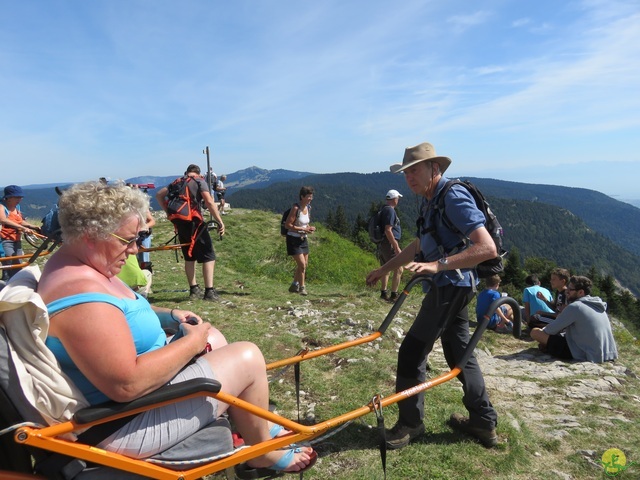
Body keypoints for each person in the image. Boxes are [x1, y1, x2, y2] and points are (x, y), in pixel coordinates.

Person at [38, 181, 316, 474]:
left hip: (136, 405)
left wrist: (169, 315)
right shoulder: (81, 296)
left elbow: (124, 310)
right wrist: (191, 345)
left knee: (216, 338)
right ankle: (261, 454)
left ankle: (256, 426)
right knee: (247, 357)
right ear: (89, 235)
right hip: (123, 423)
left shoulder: (84, 266)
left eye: (138, 238)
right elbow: (126, 384)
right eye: (126, 240)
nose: (134, 250)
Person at [366, 142, 499, 449]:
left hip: (450, 286)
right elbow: (419, 246)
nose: (409, 177)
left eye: (415, 170)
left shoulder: (452, 196)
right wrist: (384, 269)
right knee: (460, 355)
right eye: (406, 172)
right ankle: (483, 422)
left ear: (434, 168)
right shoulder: (431, 199)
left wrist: (437, 266)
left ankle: (411, 424)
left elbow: (486, 247)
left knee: (412, 352)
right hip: (456, 286)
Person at [156, 164, 225, 301]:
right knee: (208, 255)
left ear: (187, 172)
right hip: (194, 221)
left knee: (189, 256)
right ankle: (209, 292)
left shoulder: (178, 182)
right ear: (198, 173)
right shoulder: (199, 181)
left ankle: (194, 289)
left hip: (180, 222)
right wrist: (220, 221)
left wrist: (168, 212)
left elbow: (159, 195)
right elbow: (209, 202)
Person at [530, 276, 618, 363]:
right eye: (567, 288)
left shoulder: (575, 307)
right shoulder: (597, 305)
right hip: (606, 353)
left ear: (580, 292)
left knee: (535, 332)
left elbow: (550, 330)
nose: (566, 292)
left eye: (570, 290)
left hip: (584, 353)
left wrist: (544, 340)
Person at [0, 185, 40, 279]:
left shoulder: (17, 207)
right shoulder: (2, 207)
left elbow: (19, 220)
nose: (20, 199)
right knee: (9, 261)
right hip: (5, 239)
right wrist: (22, 227)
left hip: (17, 239)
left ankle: (15, 281)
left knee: (18, 263)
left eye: (21, 197)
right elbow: (3, 220)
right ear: (9, 198)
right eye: (17, 197)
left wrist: (31, 226)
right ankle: (7, 282)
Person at [284, 186, 316, 296]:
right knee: (302, 265)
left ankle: (294, 285)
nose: (310, 199)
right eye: (308, 197)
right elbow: (288, 225)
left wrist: (309, 228)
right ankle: (302, 287)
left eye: (311, 197)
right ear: (302, 196)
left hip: (303, 239)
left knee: (304, 264)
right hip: (293, 239)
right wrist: (304, 229)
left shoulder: (308, 208)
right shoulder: (295, 208)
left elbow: (304, 223)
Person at [377, 189, 404, 302]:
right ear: (394, 199)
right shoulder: (390, 211)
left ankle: (383, 293)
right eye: (398, 198)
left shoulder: (383, 209)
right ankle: (394, 295)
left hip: (383, 243)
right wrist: (396, 246)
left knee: (386, 268)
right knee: (399, 268)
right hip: (389, 243)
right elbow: (388, 230)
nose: (398, 200)